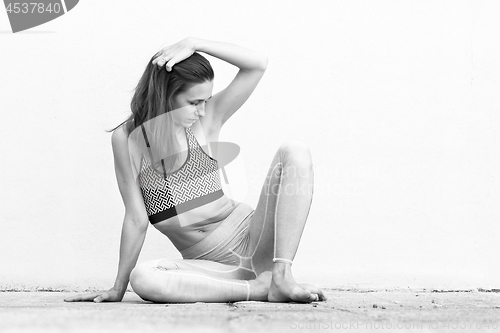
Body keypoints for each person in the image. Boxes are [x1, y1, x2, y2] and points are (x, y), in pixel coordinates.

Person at [64, 37, 326, 303]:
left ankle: (281, 275)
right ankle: (260, 288)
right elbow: (136, 218)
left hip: (255, 240)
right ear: (166, 95)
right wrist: (117, 289)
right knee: (143, 278)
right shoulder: (127, 139)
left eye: (206, 100)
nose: (202, 110)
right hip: (209, 266)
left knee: (295, 151)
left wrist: (196, 43)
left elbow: (257, 65)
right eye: (194, 102)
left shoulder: (207, 120)